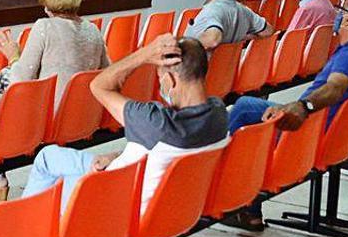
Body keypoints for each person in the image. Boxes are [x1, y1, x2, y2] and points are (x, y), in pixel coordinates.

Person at [222, 0, 348, 227]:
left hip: (310, 132)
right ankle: (246, 207)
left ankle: (228, 193)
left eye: (342, 10)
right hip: (340, 138)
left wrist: (303, 106)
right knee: (246, 107)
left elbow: (336, 86)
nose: (338, 15)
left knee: (244, 113)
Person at [21, 35, 229, 211]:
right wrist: (119, 155)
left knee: (47, 159)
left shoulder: (154, 121)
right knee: (58, 162)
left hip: (112, 204)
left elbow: (99, 86)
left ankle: (26, 228)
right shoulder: (219, 113)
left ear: (171, 80)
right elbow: (158, 151)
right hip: (163, 205)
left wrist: (145, 54)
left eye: (160, 78)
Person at [0, 0, 111, 200]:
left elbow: (21, 77)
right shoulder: (93, 31)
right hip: (83, 115)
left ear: (48, 5)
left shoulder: (44, 27)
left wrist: (13, 55)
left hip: (49, 117)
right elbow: (106, 72)